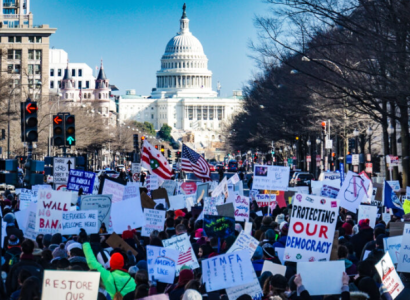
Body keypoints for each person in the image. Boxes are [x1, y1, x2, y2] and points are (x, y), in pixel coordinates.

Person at [82, 230, 136, 298]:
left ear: (110, 262)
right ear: (122, 263)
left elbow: (91, 262)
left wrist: (85, 241)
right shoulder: (132, 280)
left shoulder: (107, 275)